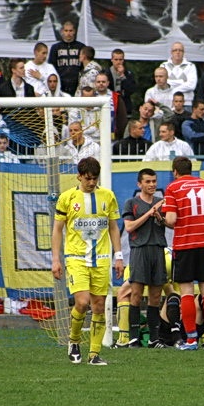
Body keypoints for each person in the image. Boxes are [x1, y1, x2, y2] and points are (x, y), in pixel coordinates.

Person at [51, 157, 123, 366]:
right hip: (76, 257)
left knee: (99, 306)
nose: (91, 182)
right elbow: (57, 229)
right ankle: (73, 341)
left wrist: (118, 257)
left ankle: (94, 354)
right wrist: (56, 259)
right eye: (88, 178)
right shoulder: (67, 197)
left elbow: (113, 227)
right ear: (79, 176)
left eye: (95, 178)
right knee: (82, 302)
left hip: (101, 259)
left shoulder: (107, 196)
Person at [162, 156, 204, 350]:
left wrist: (162, 219)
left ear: (175, 172)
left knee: (186, 292)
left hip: (185, 244)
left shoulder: (173, 188)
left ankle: (191, 340)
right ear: (191, 169)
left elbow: (171, 219)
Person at [120, 168, 169, 348]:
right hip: (139, 251)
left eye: (154, 181)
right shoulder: (131, 203)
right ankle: (133, 337)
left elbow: (171, 224)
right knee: (136, 294)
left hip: (157, 250)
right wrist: (149, 214)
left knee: (155, 296)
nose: (152, 185)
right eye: (148, 182)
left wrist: (160, 217)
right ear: (139, 184)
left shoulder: (161, 203)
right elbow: (130, 227)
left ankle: (154, 339)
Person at [49, 21, 84, 96]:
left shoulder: (81, 47)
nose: (68, 33)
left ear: (74, 31)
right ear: (62, 31)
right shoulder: (55, 47)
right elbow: (51, 67)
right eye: (66, 30)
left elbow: (84, 66)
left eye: (70, 30)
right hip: (60, 84)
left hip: (77, 85)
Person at [161, 42, 198, 107]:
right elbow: (162, 84)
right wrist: (182, 82)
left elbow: (192, 85)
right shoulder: (164, 66)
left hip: (186, 103)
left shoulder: (191, 66)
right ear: (171, 52)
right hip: (168, 103)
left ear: (183, 52)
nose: (178, 52)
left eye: (180, 50)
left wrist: (173, 89)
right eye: (175, 50)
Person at [107, 49, 137, 116]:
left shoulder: (128, 74)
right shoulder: (106, 73)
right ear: (111, 60)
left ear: (123, 60)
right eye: (116, 59)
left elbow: (131, 89)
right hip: (110, 104)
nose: (118, 62)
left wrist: (122, 76)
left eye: (120, 59)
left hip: (124, 105)